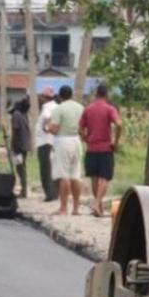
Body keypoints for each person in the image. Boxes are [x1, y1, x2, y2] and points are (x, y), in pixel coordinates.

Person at [78, 85, 123, 218]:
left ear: (96, 93)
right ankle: (97, 204)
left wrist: (86, 139)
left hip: (91, 149)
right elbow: (119, 124)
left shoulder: (88, 109)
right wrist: (116, 142)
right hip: (105, 148)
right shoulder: (110, 109)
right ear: (107, 94)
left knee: (94, 177)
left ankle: (99, 206)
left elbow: (80, 129)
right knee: (104, 178)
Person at [47, 85, 86, 216]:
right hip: (77, 141)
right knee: (75, 175)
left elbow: (55, 129)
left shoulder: (59, 109)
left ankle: (63, 208)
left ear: (60, 96)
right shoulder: (80, 108)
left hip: (63, 141)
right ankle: (75, 208)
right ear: (71, 95)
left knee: (64, 176)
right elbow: (83, 126)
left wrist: (47, 127)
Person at [35, 90, 58, 201]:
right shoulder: (56, 106)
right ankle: (54, 193)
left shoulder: (47, 107)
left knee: (45, 169)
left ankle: (49, 194)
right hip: (53, 142)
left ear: (44, 97)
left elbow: (48, 117)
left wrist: (46, 128)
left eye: (41, 96)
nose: (39, 99)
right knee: (53, 169)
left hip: (45, 142)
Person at [8, 97, 33, 197]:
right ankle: (24, 190)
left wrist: (13, 144)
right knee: (22, 167)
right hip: (25, 144)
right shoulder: (24, 114)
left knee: (20, 168)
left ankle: (23, 192)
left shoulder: (16, 114)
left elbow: (16, 130)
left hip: (19, 145)